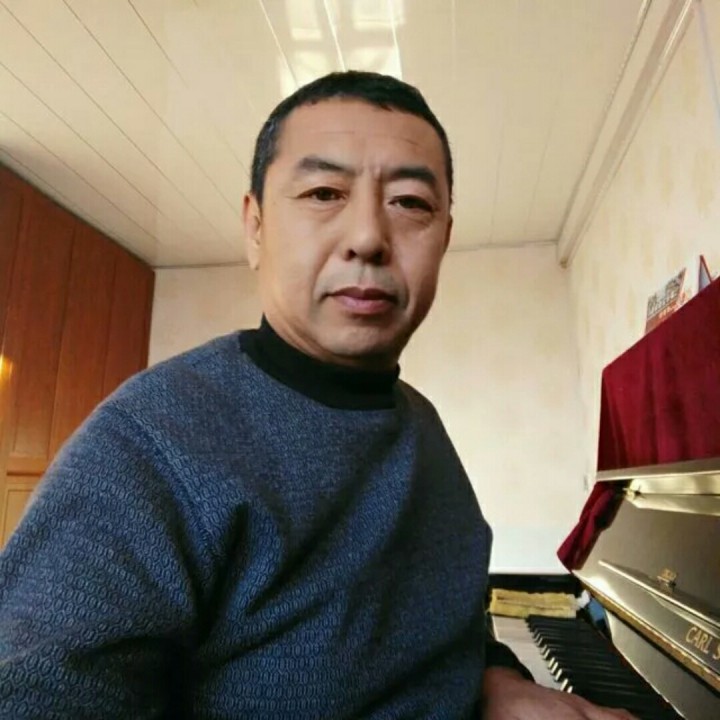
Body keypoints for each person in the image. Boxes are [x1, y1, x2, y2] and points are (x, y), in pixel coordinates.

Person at [0, 71, 636, 719]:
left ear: (444, 236)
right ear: (256, 228)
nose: (368, 237)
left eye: (410, 203)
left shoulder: (419, 421)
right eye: (324, 193)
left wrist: (501, 682)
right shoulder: (147, 446)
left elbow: (443, 627)